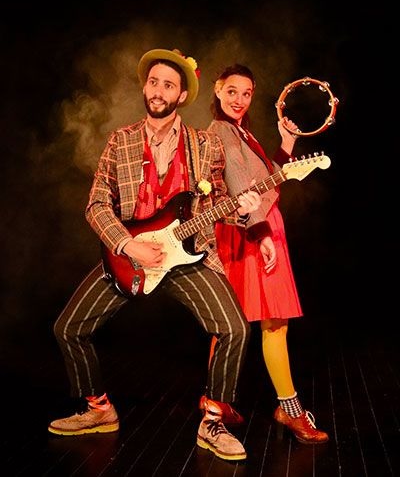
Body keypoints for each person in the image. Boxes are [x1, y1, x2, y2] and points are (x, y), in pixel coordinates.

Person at [47, 49, 263, 462]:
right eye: (153, 82)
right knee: (68, 328)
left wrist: (244, 207)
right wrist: (127, 244)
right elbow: (96, 204)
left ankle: (213, 420)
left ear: (182, 95)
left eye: (168, 85)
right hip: (130, 255)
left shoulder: (204, 145)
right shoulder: (120, 141)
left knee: (234, 328)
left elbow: (219, 202)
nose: (158, 91)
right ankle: (98, 409)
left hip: (187, 256)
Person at [200, 64, 329, 444]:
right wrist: (260, 232)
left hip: (260, 229)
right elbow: (241, 188)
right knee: (268, 322)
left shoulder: (241, 132)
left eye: (247, 93)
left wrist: (286, 143)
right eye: (232, 91)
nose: (239, 100)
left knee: (231, 324)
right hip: (251, 234)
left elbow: (266, 183)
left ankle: (215, 403)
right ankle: (286, 410)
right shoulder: (220, 132)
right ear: (218, 90)